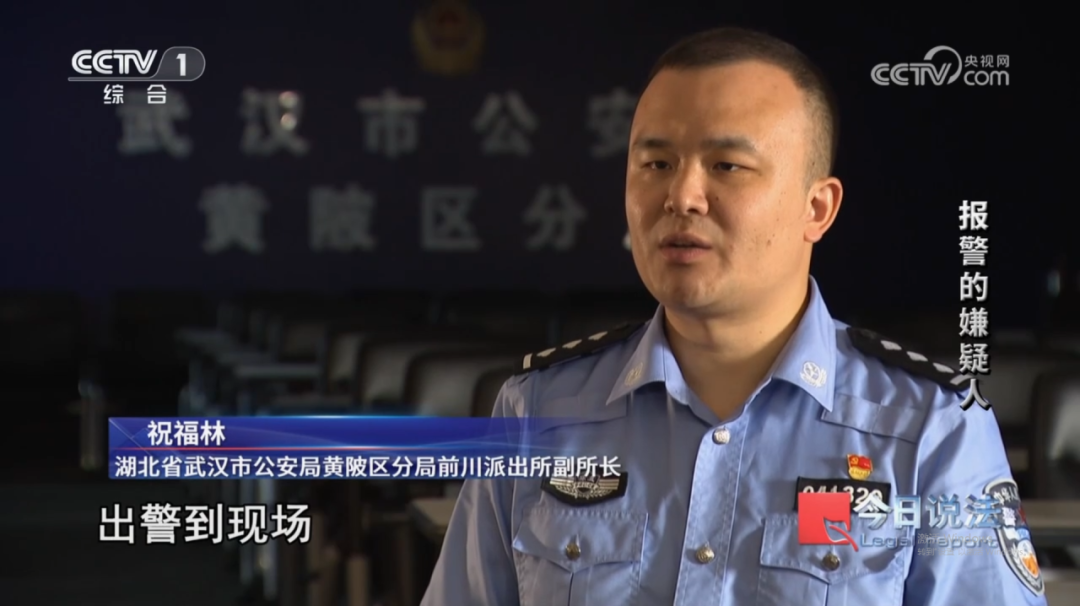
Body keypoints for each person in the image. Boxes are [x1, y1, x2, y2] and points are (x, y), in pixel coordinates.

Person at [420, 27, 1047, 606]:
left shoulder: (931, 429)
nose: (681, 196)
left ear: (817, 209)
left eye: (727, 166)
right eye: (656, 164)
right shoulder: (537, 410)